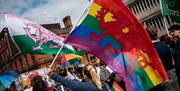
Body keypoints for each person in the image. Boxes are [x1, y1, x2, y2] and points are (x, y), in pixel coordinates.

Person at [146, 26, 179, 91]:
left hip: (163, 79)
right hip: (173, 75)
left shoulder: (151, 50)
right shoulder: (165, 45)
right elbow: (173, 62)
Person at [46, 64, 110, 91]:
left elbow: (70, 83)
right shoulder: (104, 84)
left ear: (84, 75)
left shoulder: (89, 87)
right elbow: (75, 82)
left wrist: (52, 75)